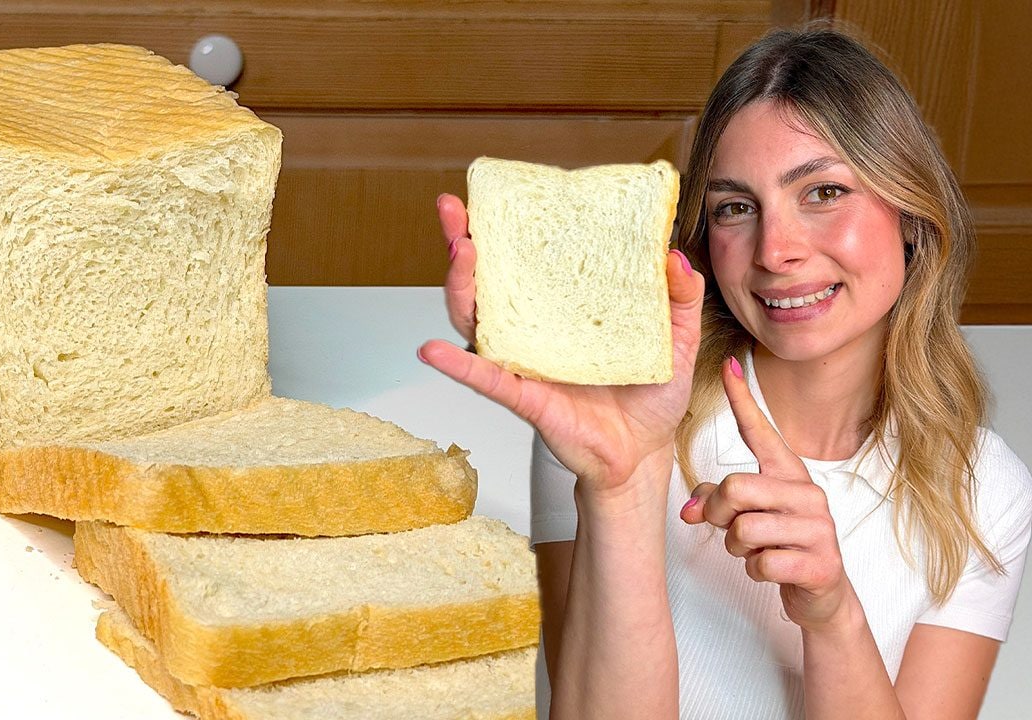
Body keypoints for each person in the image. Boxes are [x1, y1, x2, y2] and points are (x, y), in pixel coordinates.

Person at [418, 25, 1032, 719]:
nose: (777, 250)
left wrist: (833, 615)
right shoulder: (624, 414)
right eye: (736, 208)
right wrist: (623, 487)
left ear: (911, 215)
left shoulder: (985, 492)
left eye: (823, 192)